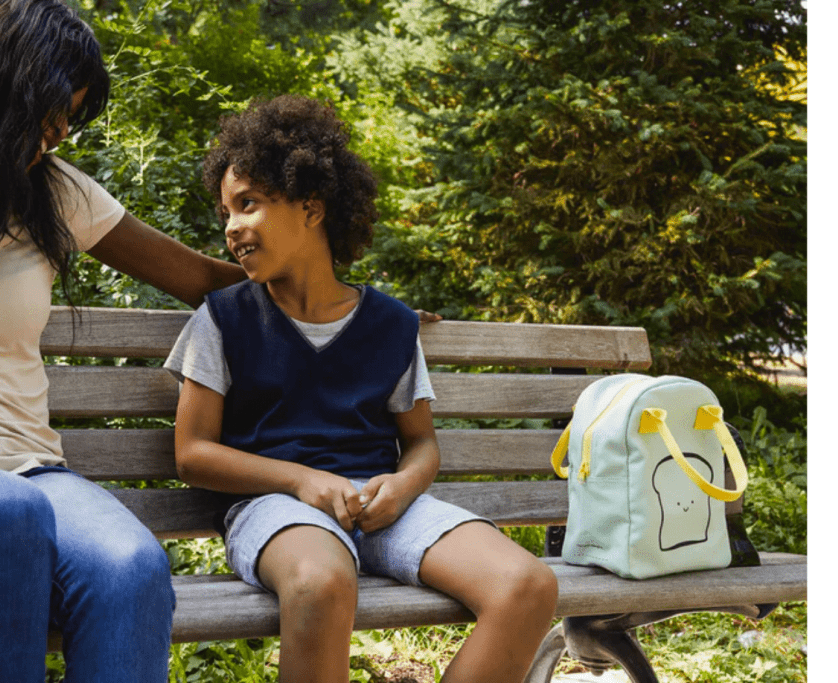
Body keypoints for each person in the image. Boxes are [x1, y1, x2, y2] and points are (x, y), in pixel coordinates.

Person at [165, 95, 559, 683]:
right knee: (321, 582)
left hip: (383, 509)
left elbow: (422, 444)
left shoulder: (391, 325)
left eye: (248, 204)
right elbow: (192, 453)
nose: (231, 227)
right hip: (276, 508)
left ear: (311, 207)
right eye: (225, 211)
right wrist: (299, 478)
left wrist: (402, 486)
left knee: (527, 585)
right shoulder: (223, 319)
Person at [0, 1, 248, 681]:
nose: (62, 132)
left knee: (129, 567)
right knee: (0, 512)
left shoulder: (52, 192)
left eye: (70, 115)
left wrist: (350, 300)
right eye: (51, 112)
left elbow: (202, 280)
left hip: (27, 467)